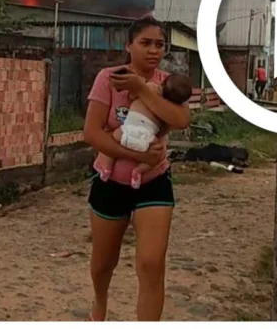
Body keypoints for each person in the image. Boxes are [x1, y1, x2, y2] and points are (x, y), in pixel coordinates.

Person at [82, 18, 190, 322]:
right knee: (104, 263)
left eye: (159, 44)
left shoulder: (168, 83)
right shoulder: (109, 78)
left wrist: (142, 88)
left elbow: (181, 120)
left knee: (151, 263)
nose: (153, 50)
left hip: (153, 182)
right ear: (129, 45)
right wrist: (130, 152)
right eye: (145, 43)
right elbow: (92, 133)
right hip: (110, 183)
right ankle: (99, 303)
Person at [94, 73, 193, 188]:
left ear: (163, 82)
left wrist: (139, 87)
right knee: (157, 155)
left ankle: (106, 168)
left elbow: (132, 96)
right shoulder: (169, 107)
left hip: (128, 129)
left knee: (112, 140)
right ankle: (138, 171)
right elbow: (163, 130)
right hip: (147, 136)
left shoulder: (150, 88)